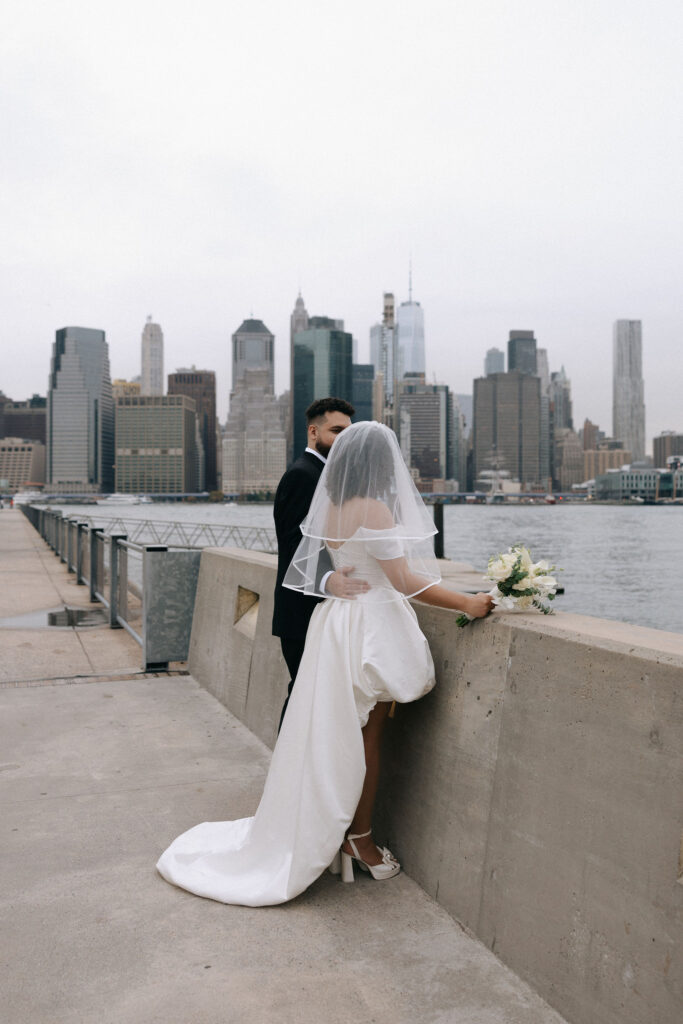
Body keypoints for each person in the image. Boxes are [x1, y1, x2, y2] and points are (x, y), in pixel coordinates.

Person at [156, 421, 493, 906]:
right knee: (367, 737)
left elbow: (334, 566)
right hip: (370, 627)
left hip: (338, 624)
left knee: (335, 733)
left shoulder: (332, 506)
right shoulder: (374, 507)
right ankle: (360, 841)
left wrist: (335, 581)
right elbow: (403, 580)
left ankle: (340, 831)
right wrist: (468, 604)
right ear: (380, 463)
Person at [272, 397, 368, 729]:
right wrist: (329, 580)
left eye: (348, 433)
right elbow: (293, 544)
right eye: (336, 431)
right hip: (302, 609)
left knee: (314, 695)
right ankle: (287, 772)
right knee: (303, 693)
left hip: (319, 609)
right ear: (314, 432)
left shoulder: (323, 474)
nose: (344, 439)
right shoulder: (304, 475)